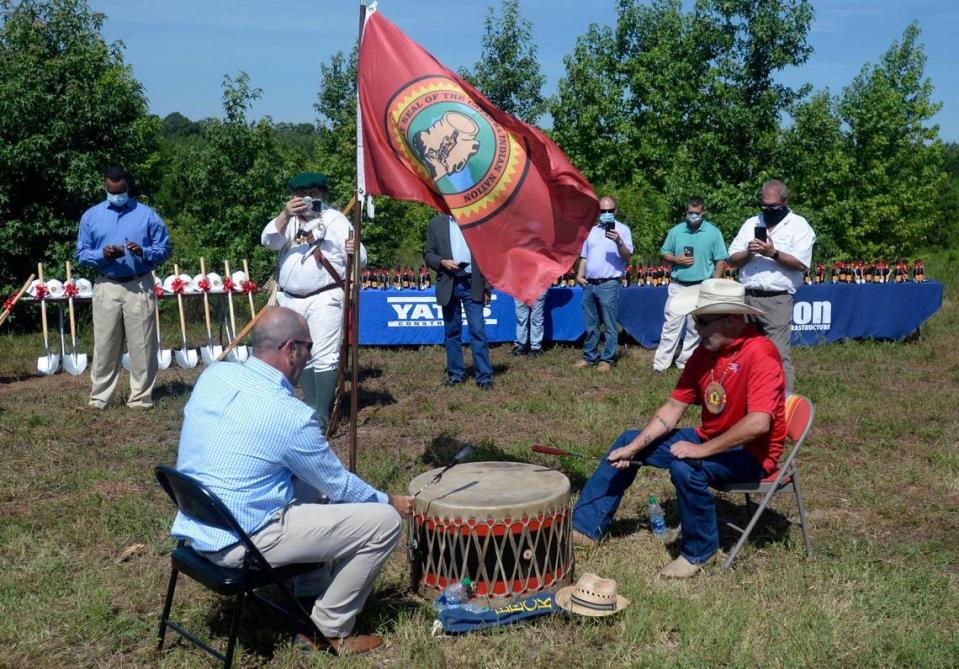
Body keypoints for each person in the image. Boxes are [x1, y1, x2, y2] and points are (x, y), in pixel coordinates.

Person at [170, 307, 413, 656]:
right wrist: (388, 500)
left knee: (305, 479)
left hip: (199, 524)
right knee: (384, 523)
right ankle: (328, 631)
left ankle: (308, 590)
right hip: (242, 540)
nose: (311, 356)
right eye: (309, 347)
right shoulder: (290, 416)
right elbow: (339, 485)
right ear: (290, 349)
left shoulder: (215, 375)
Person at [571, 279, 786, 579]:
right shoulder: (704, 354)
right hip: (710, 439)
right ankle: (583, 528)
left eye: (702, 320)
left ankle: (698, 553)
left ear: (733, 320)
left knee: (687, 468)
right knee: (629, 439)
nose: (696, 327)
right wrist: (635, 449)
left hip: (751, 455)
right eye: (695, 319)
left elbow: (758, 423)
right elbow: (673, 409)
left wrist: (699, 450)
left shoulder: (760, 353)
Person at [261, 172, 366, 430]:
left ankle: (321, 413)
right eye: (302, 193)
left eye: (314, 193)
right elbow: (268, 241)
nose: (308, 198)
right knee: (299, 353)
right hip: (291, 298)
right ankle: (309, 406)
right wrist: (285, 215)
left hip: (324, 296)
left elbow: (360, 257)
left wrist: (354, 249)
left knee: (324, 354)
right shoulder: (289, 221)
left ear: (322, 195)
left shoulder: (336, 220)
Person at [76, 166, 171, 409]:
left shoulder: (147, 215)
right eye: (110, 190)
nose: (115, 195)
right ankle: (99, 398)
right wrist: (102, 254)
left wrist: (144, 251)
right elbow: (82, 253)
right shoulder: (91, 216)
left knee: (142, 344)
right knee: (105, 343)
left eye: (119, 191)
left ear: (127, 187)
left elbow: (164, 249)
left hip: (139, 283)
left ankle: (140, 398)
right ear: (105, 187)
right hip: (107, 284)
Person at [727, 180, 815, 392]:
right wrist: (749, 253)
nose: (768, 210)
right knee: (745, 353)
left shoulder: (799, 226)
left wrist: (772, 253)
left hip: (777, 300)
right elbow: (732, 258)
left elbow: (801, 264)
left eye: (773, 206)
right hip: (747, 297)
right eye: (764, 206)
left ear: (785, 201)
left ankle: (784, 405)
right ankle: (751, 399)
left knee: (776, 354)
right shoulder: (751, 223)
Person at [653, 196, 728, 372]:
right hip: (678, 284)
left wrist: (715, 283)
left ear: (703, 212)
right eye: (690, 212)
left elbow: (721, 260)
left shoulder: (713, 232)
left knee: (695, 328)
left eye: (696, 213)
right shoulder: (676, 231)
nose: (693, 216)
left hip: (701, 285)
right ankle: (660, 365)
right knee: (671, 325)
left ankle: (685, 363)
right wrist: (676, 259)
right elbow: (664, 253)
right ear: (686, 212)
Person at [424, 212, 493, 389]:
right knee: (452, 332)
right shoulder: (436, 223)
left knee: (478, 330)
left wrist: (487, 287)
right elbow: (428, 254)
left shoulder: (475, 220)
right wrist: (442, 262)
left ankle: (484, 377)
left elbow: (486, 256)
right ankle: (456, 374)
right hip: (449, 283)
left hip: (473, 283)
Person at [574, 196, 633, 371]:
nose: (606, 214)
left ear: (615, 211)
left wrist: (618, 241)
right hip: (589, 284)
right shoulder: (591, 231)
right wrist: (579, 273)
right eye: (603, 211)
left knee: (609, 324)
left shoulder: (623, 230)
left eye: (609, 211)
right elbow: (585, 256)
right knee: (590, 324)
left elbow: (627, 257)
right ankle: (589, 356)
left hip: (609, 284)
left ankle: (607, 359)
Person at [512, 289, 548, 358]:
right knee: (521, 319)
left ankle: (536, 348)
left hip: (538, 286)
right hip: (520, 287)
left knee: (536, 319)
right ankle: (520, 346)